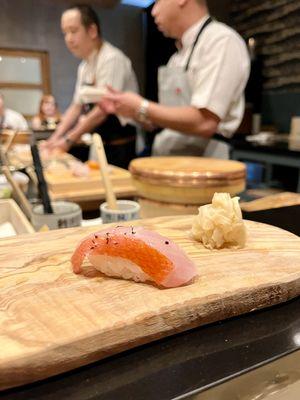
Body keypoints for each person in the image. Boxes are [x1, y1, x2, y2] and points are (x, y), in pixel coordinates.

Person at [100, 0, 250, 159]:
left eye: (157, 2)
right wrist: (130, 110)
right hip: (168, 159)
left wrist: (141, 105)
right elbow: (163, 120)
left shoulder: (220, 40)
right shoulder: (177, 58)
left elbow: (205, 122)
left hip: (205, 166)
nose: (153, 11)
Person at [43, 4, 139, 168]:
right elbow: (76, 106)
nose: (68, 39)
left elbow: (103, 109)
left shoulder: (112, 59)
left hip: (120, 144)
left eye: (73, 31)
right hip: (99, 141)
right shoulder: (84, 66)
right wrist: (54, 139)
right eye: (65, 33)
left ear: (92, 31)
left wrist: (68, 140)